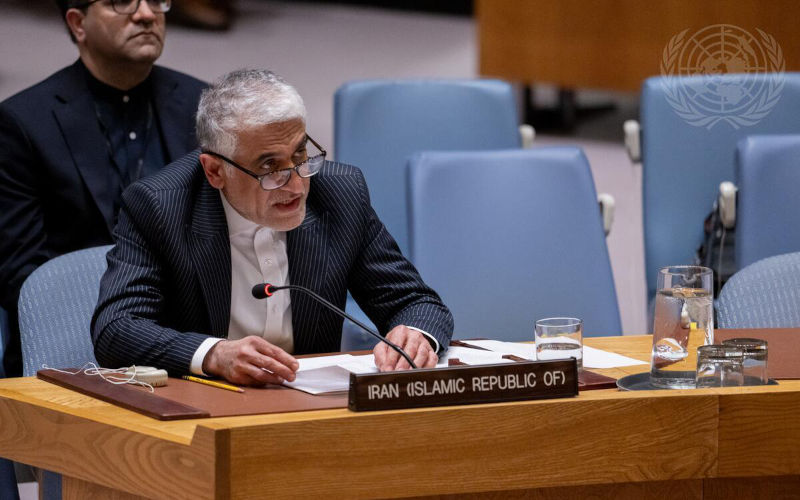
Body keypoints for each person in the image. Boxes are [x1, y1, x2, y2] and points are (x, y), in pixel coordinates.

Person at [91, 69, 453, 385]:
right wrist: (215, 355)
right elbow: (117, 328)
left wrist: (416, 335)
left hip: (309, 411)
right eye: (270, 168)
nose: (296, 185)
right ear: (215, 171)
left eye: (300, 155)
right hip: (205, 410)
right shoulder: (160, 207)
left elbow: (414, 301)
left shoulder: (340, 195)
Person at [0, 0, 205, 376]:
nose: (146, 14)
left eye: (156, 0)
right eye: (121, 2)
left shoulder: (202, 105)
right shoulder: (22, 123)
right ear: (78, 23)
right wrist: (126, 331)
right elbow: (20, 273)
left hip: (186, 348)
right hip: (66, 351)